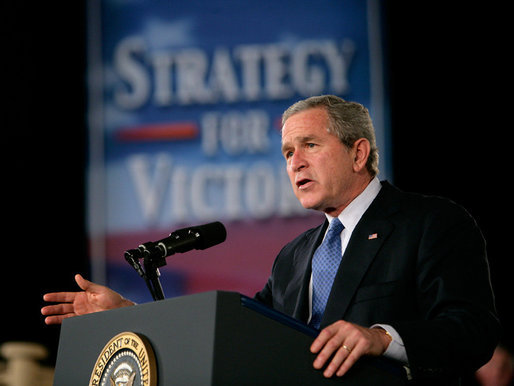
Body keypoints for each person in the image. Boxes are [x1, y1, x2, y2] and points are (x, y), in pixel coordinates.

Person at [42, 95, 500, 384]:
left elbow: (472, 332)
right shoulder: (295, 256)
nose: (294, 163)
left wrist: (382, 337)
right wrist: (133, 317)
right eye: (286, 152)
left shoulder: (431, 222)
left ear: (358, 152)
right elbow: (236, 337)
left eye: (310, 146)